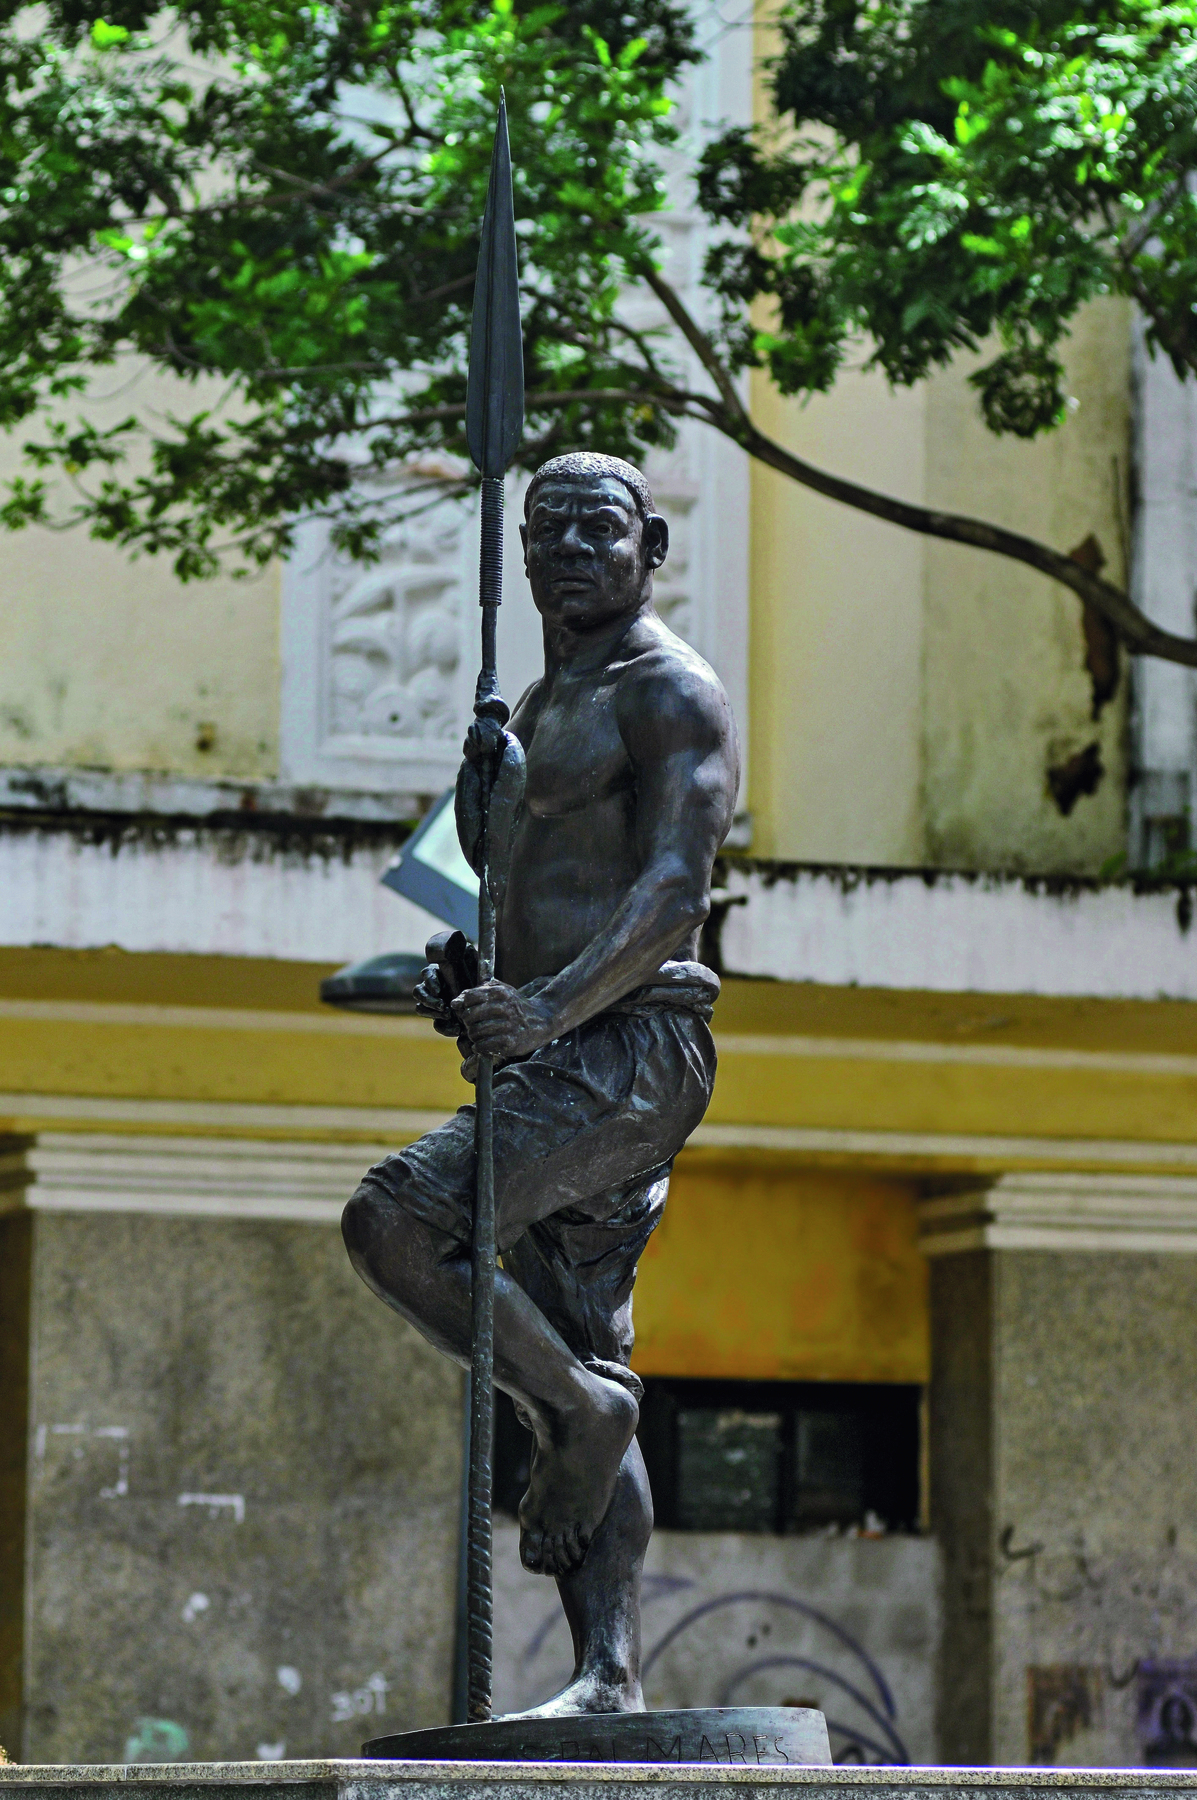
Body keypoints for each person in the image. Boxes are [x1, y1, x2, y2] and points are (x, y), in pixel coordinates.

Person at [342, 450, 740, 1715]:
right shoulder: (522, 711)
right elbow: (519, 900)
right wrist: (470, 978)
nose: (568, 547)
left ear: (651, 546)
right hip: (553, 1044)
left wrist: (552, 1010)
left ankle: (575, 1413)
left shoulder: (669, 693)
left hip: (632, 1050)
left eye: (598, 527)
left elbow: (674, 888)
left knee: (397, 1220)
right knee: (576, 1347)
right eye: (544, 529)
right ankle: (609, 1674)